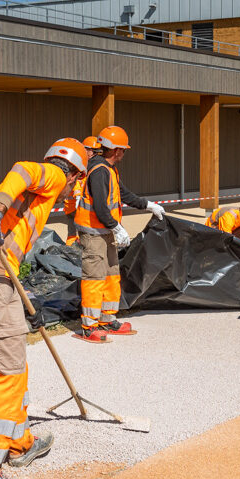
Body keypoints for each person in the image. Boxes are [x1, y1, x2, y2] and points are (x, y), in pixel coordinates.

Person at [0, 138, 88, 479]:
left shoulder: (24, 196)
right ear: (75, 172)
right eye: (78, 179)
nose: (72, 188)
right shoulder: (54, 176)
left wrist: (21, 294)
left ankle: (20, 444)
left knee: (12, 366)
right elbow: (22, 168)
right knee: (9, 376)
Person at [73, 125, 166, 342]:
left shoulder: (109, 169)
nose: (124, 153)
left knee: (112, 275)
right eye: (123, 149)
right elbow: (101, 207)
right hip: (94, 232)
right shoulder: (99, 171)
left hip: (104, 231)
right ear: (117, 151)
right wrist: (116, 227)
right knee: (94, 278)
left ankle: (107, 320)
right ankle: (89, 327)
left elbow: (123, 194)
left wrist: (148, 205)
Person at [61, 135, 102, 245]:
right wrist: (78, 197)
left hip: (75, 205)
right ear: (86, 150)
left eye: (96, 152)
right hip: (75, 206)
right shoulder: (80, 164)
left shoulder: (84, 162)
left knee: (74, 235)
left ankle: (71, 251)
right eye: (93, 151)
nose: (94, 155)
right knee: (76, 235)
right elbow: (76, 182)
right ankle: (72, 253)